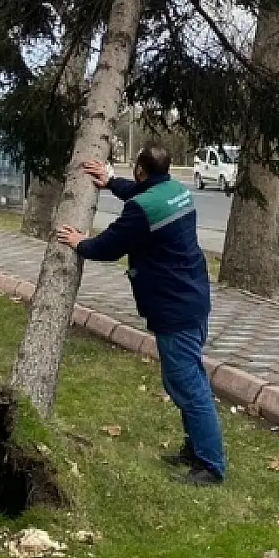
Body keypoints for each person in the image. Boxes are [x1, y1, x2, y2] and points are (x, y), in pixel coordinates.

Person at [56, 142, 225, 486]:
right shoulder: (176, 191)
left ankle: (210, 465)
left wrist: (80, 242)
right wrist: (110, 181)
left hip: (173, 307)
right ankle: (195, 449)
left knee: (188, 385)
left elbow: (109, 246)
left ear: (139, 169)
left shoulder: (143, 209)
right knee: (183, 379)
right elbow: (142, 194)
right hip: (193, 297)